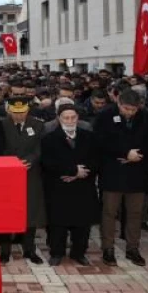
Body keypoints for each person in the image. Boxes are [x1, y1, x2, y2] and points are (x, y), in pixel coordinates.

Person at [94, 90, 148, 267]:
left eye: (134, 109)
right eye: (126, 108)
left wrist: (138, 155)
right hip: (113, 171)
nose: (130, 113)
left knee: (135, 213)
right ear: (118, 103)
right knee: (109, 212)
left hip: (137, 172)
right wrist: (125, 153)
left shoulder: (146, 117)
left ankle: (133, 248)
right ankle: (108, 249)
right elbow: (99, 142)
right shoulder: (105, 116)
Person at [41, 104, 99, 267]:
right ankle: (56, 253)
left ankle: (78, 253)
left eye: (73, 117)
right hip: (59, 187)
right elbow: (47, 163)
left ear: (78, 118)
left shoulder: (89, 137)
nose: (70, 120)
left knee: (82, 223)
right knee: (57, 223)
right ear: (59, 119)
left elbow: (96, 160)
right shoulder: (49, 139)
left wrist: (82, 173)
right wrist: (73, 171)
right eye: (66, 117)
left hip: (83, 186)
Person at [0, 98, 46, 265]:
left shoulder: (38, 125)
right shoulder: (2, 125)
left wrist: (30, 160)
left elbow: (40, 147)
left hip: (30, 173)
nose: (19, 116)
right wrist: (11, 162)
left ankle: (29, 250)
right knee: (5, 212)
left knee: (30, 211)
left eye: (22, 112)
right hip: (7, 173)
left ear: (28, 110)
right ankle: (5, 251)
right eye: (15, 112)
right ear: (9, 110)